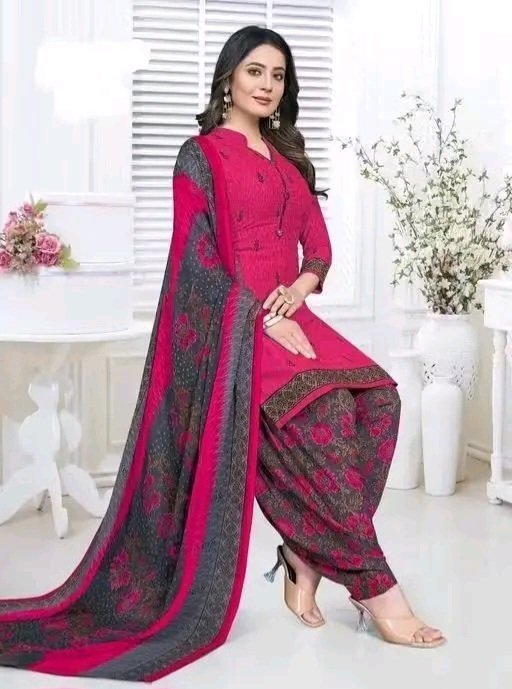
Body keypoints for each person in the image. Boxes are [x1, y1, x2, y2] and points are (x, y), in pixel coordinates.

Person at [0, 25, 444, 683]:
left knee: (379, 401)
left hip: (291, 316)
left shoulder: (289, 161)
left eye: (278, 75)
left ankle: (305, 552)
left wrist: (297, 292)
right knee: (321, 419)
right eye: (255, 71)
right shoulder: (199, 156)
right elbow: (196, 258)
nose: (267, 85)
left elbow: (319, 249)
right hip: (236, 323)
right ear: (229, 78)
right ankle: (377, 589)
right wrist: (261, 316)